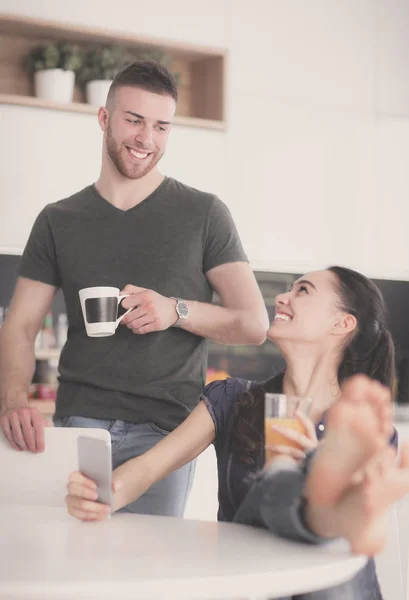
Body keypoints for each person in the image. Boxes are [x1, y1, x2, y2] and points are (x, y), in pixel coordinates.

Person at [0, 60, 269, 518]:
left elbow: (254, 324)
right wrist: (12, 399)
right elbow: (22, 325)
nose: (147, 139)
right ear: (104, 119)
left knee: (149, 580)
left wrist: (175, 310)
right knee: (75, 576)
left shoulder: (204, 214)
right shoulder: (58, 219)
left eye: (162, 126)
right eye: (134, 120)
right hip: (78, 428)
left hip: (165, 438)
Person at [66, 266, 409, 598]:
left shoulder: (361, 428)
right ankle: (324, 507)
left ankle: (308, 492)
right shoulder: (232, 399)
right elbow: (147, 469)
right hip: (258, 584)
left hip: (329, 588)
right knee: (304, 518)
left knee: (316, 539)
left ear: (342, 323)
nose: (282, 298)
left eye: (302, 291)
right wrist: (103, 494)